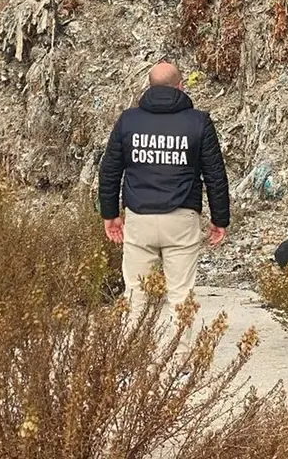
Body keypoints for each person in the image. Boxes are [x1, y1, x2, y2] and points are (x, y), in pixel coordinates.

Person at [97, 61, 230, 336]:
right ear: (180, 87)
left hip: (139, 219)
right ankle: (179, 364)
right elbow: (215, 175)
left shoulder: (128, 121)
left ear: (149, 87)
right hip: (181, 219)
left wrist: (110, 215)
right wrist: (220, 220)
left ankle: (130, 361)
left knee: (135, 295)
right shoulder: (198, 122)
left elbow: (109, 170)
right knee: (180, 296)